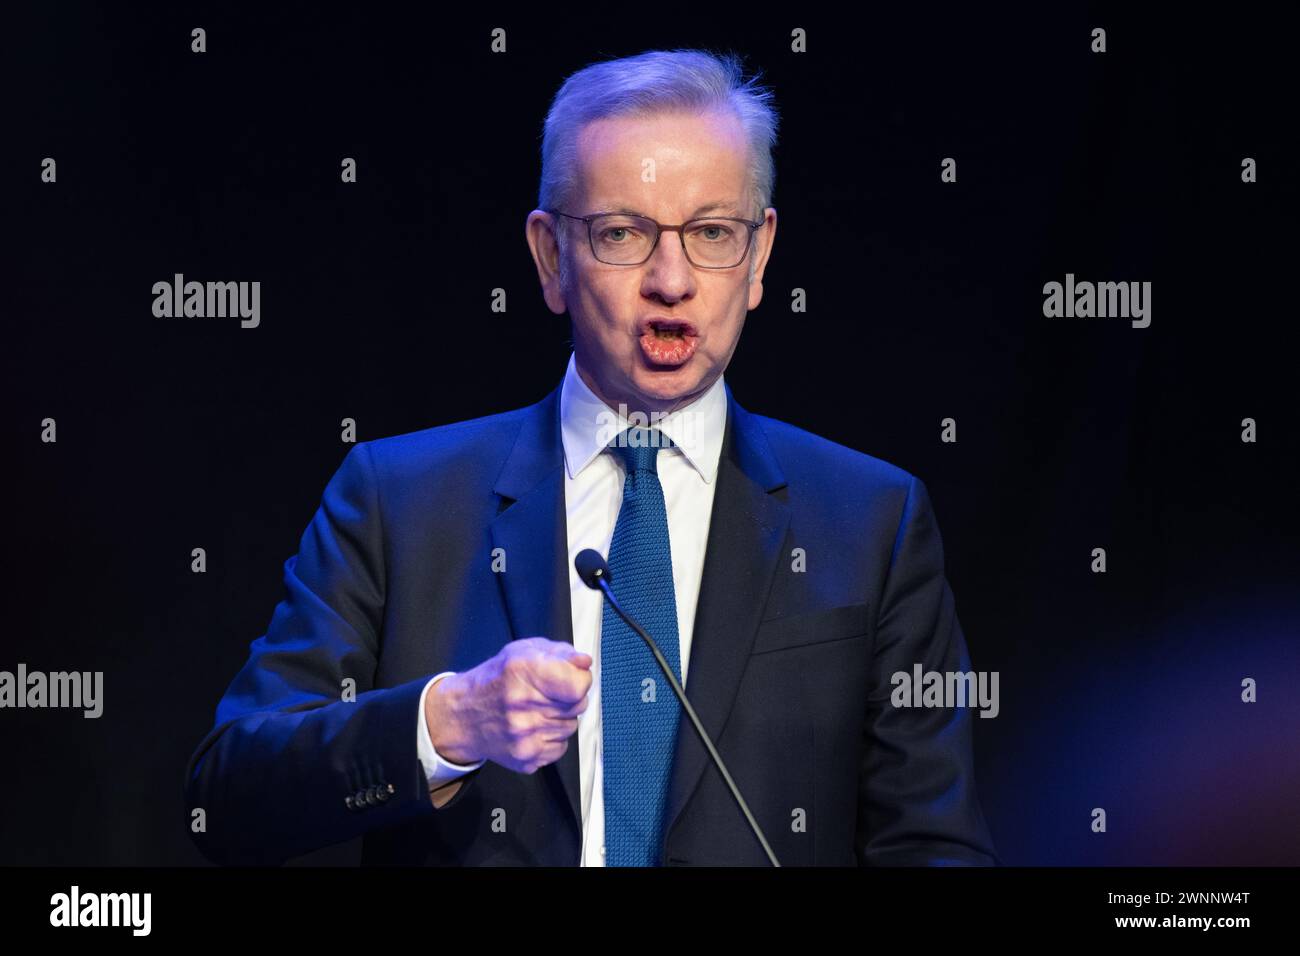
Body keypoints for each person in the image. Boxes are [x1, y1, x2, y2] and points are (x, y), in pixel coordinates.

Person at [184, 47, 998, 867]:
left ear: (759, 257)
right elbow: (228, 797)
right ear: (550, 258)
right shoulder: (400, 503)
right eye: (623, 235)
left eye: (713, 232)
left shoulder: (872, 519)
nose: (672, 280)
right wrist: (449, 722)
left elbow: (933, 847)